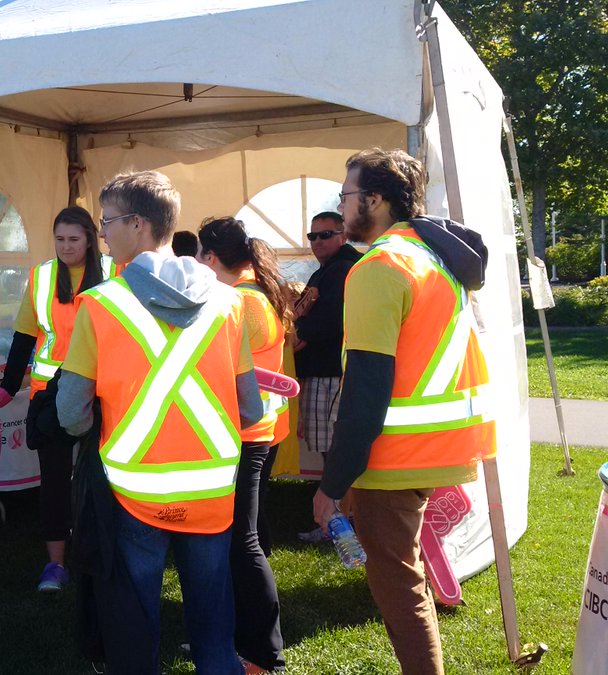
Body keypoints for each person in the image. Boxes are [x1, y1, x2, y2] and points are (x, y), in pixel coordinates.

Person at [57, 171, 263, 674]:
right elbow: (251, 409)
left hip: (136, 490)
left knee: (136, 625)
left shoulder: (101, 305)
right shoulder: (230, 303)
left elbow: (69, 413)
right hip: (212, 488)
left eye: (107, 222)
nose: (102, 232)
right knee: (214, 628)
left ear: (138, 224)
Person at [312, 148, 494, 675]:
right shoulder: (434, 257)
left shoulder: (380, 267)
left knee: (399, 586)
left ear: (374, 199)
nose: (342, 207)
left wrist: (332, 481)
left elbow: (367, 389)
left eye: (346, 196)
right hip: (442, 446)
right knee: (405, 575)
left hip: (396, 458)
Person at [0, 206, 115, 592]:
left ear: (90, 238)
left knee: (102, 477)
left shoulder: (114, 272)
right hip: (49, 394)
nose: (65, 247)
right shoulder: (41, 276)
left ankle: (98, 551)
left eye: (74, 239)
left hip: (103, 390)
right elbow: (24, 336)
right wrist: (7, 387)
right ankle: (55, 565)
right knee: (54, 482)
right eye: (59, 239)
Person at [197, 217, 288, 673]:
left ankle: (261, 651)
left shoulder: (239, 301)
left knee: (243, 542)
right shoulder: (254, 293)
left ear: (211, 259)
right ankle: (249, 641)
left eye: (199, 257)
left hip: (243, 434)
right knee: (246, 539)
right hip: (253, 430)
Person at [293, 211, 361, 543]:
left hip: (333, 374)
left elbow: (334, 320)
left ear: (343, 235)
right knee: (329, 453)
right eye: (312, 236)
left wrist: (300, 332)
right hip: (323, 373)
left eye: (326, 234)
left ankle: (341, 525)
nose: (318, 242)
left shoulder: (345, 270)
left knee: (335, 455)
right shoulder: (326, 271)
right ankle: (338, 521)